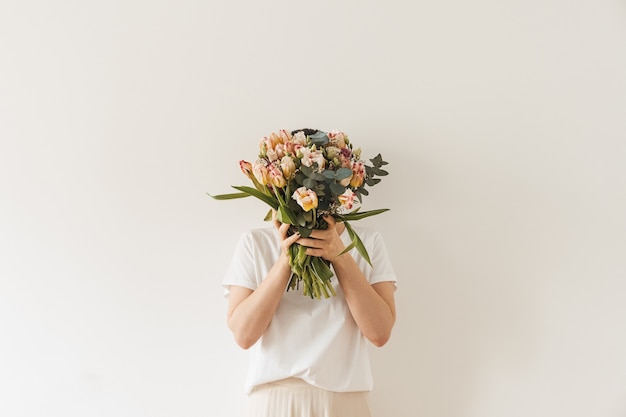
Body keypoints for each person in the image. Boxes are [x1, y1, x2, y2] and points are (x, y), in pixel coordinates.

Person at [222, 141, 397, 417]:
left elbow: (380, 333)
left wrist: (340, 256)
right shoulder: (255, 243)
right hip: (275, 400)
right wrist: (285, 260)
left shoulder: (367, 242)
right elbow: (243, 335)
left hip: (345, 400)